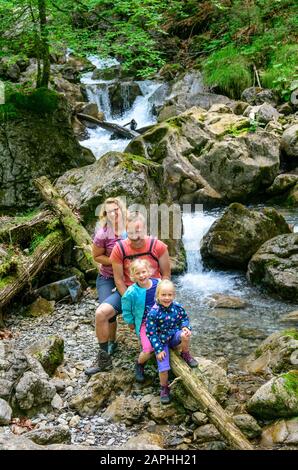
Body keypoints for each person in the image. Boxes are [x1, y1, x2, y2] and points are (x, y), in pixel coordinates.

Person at [85, 197, 127, 376]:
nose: (114, 213)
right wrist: (114, 260)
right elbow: (96, 256)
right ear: (106, 214)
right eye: (110, 211)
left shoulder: (130, 227)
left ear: (121, 209)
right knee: (106, 313)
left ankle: (113, 342)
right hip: (107, 278)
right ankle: (109, 347)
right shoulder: (102, 233)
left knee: (109, 311)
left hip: (129, 279)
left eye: (116, 209)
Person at [146, 279, 198, 405]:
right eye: (163, 295)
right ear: (157, 295)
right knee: (163, 368)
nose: (167, 298)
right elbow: (151, 333)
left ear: (173, 295)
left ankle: (185, 354)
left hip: (174, 335)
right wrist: (158, 350)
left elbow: (184, 318)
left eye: (170, 295)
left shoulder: (177, 307)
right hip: (161, 341)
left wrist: (185, 327)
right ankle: (164, 387)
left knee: (185, 335)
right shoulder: (153, 312)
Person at [122, 259, 159, 383]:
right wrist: (130, 322)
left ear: (149, 272)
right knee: (148, 349)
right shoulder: (131, 292)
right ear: (133, 276)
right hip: (144, 323)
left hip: (160, 320)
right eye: (138, 273)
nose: (142, 275)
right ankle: (139, 364)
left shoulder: (158, 284)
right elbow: (126, 309)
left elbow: (167, 298)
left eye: (144, 272)